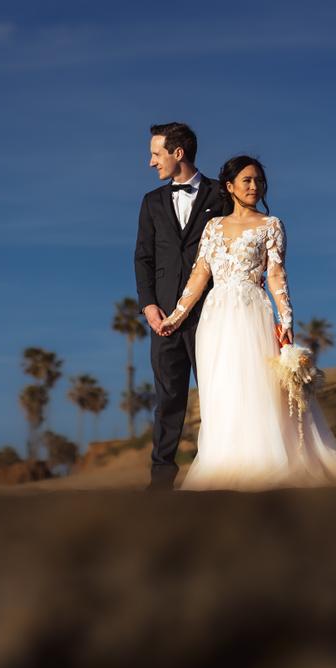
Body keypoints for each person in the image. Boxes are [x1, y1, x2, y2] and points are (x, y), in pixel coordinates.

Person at [158, 155, 336, 490]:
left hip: (252, 313)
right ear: (229, 186)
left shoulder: (271, 224)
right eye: (247, 180)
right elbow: (200, 274)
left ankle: (264, 462)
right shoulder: (213, 227)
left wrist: (286, 318)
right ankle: (223, 462)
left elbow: (275, 274)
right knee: (223, 388)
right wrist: (176, 316)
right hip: (215, 318)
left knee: (257, 386)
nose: (254, 186)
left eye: (259, 180)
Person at [134, 122, 229, 491]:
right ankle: (161, 483)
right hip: (165, 321)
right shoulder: (151, 202)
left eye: (156, 153)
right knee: (168, 398)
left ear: (178, 153)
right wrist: (149, 306)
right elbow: (142, 257)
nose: (150, 161)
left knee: (217, 394)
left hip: (211, 315)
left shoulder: (222, 195)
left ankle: (219, 471)